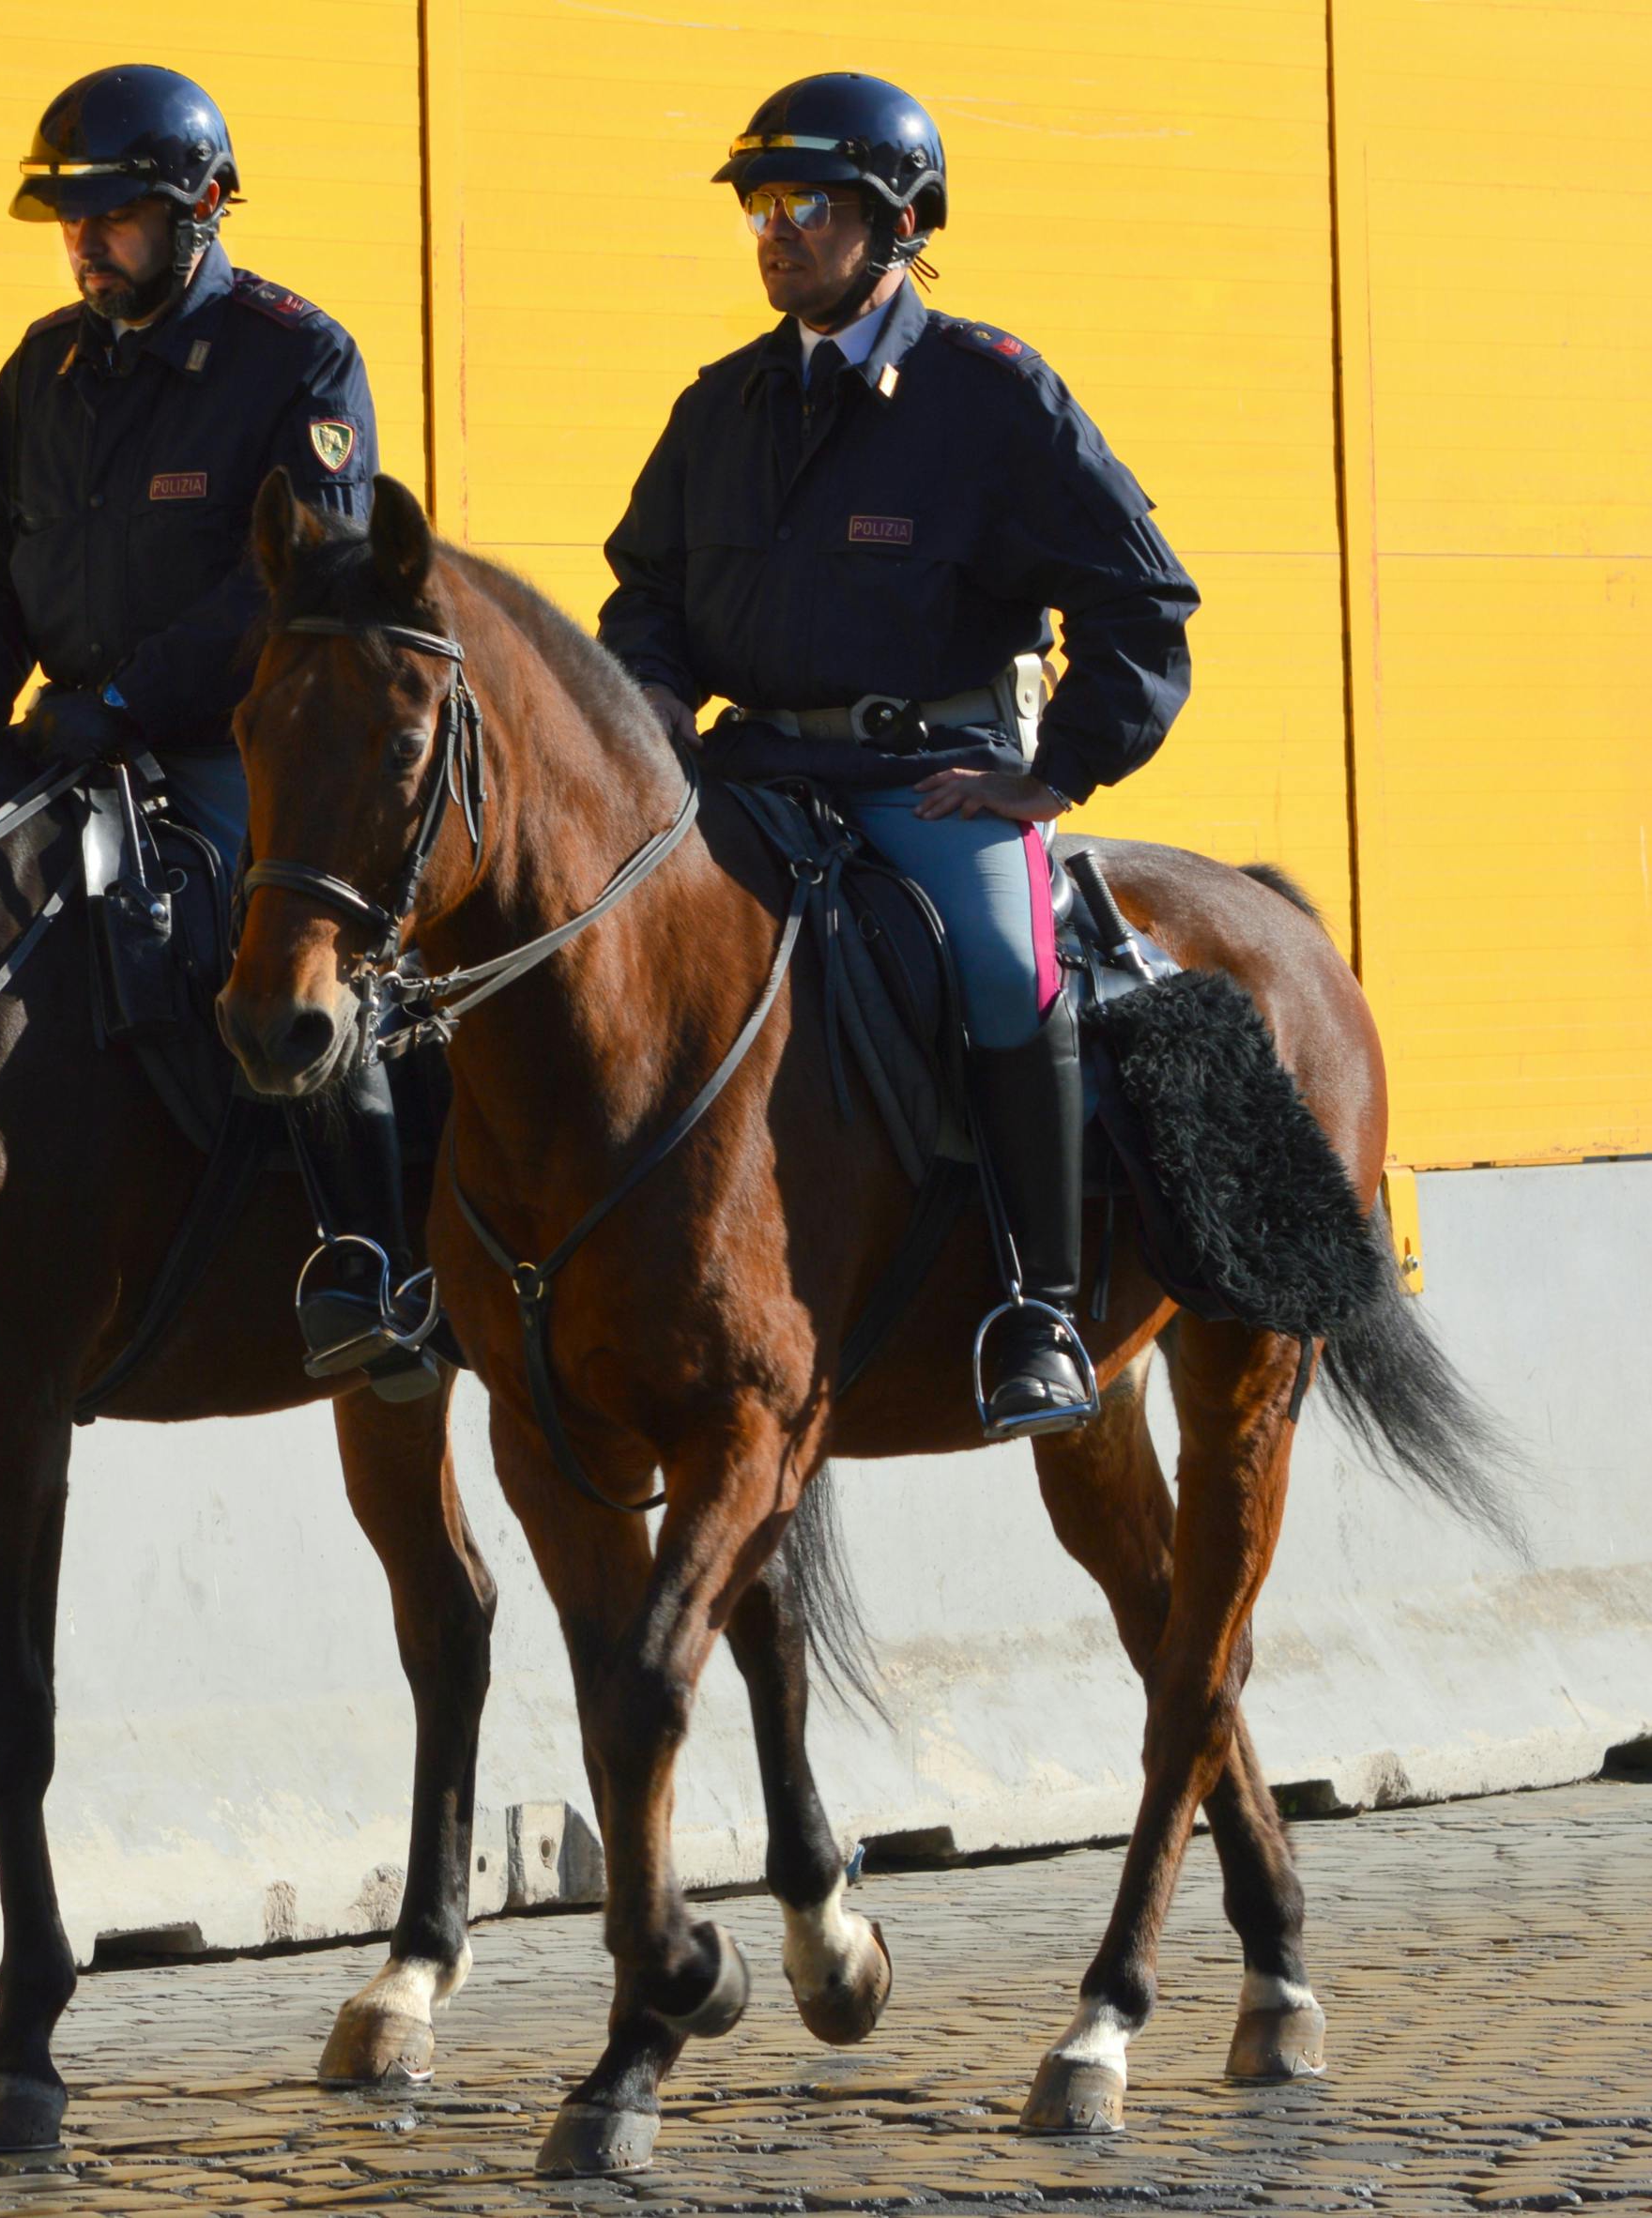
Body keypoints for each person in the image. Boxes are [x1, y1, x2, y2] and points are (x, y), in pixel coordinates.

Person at [597, 72, 1200, 1439]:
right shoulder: (720, 405)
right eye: (759, 204)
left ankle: (1038, 1305)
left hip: (932, 783)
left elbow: (1141, 604)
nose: (774, 230)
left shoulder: (991, 394)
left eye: (807, 203)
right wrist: (646, 712)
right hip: (743, 777)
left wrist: (1054, 778)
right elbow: (646, 589)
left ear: (902, 220)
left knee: (1003, 970)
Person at [0, 64, 439, 1400]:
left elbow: (300, 572)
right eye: (70, 217)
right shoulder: (43, 365)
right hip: (56, 742)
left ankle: (364, 1260)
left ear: (201, 208)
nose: (86, 241)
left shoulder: (294, 357)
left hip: (232, 746)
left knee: (285, 950)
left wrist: (127, 700)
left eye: (116, 214)